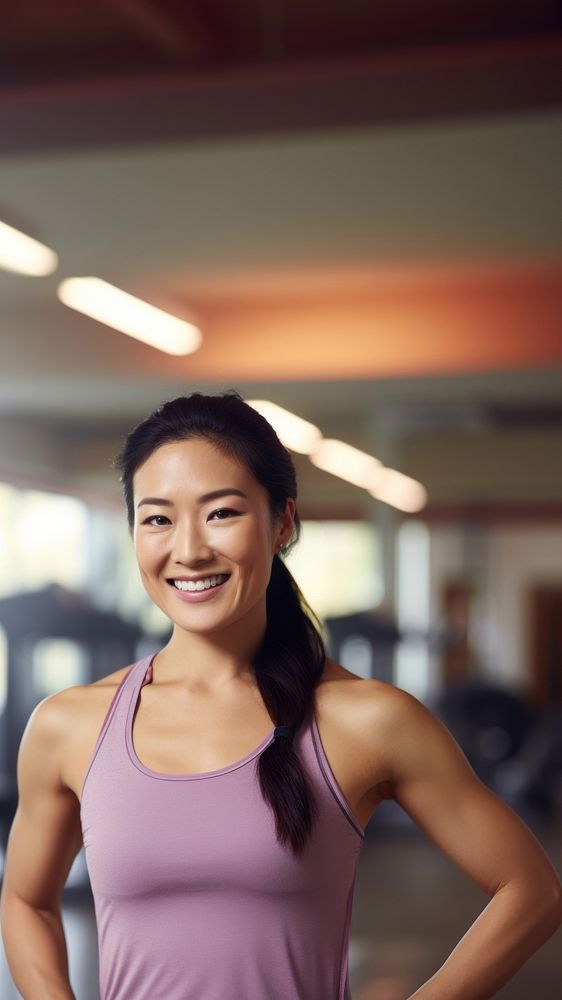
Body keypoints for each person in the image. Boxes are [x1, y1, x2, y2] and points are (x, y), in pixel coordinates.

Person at [1, 389, 561, 1000]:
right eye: (158, 518)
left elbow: (531, 891)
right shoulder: (70, 725)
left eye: (221, 513)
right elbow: (27, 900)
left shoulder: (368, 720)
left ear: (282, 523)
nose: (187, 549)